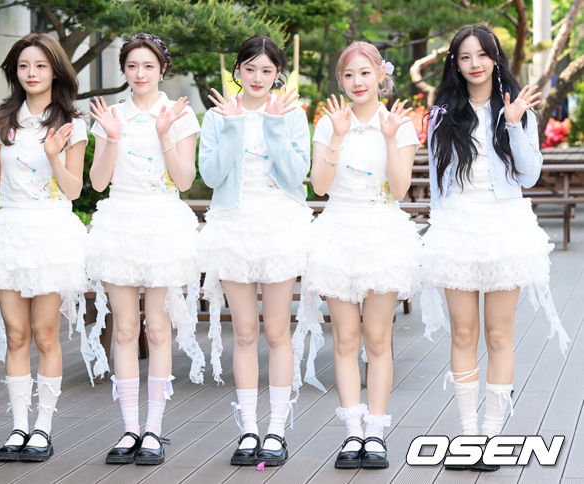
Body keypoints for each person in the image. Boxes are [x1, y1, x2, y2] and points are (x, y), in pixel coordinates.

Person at [422, 23, 570, 471]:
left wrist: (515, 123)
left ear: (495, 58)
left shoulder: (518, 108)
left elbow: (528, 175)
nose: (475, 64)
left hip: (505, 228)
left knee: (499, 334)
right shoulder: (442, 115)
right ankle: (468, 437)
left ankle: (492, 435)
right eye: (465, 57)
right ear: (455, 63)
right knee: (463, 333)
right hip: (457, 229)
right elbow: (437, 186)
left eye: (482, 55)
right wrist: (436, 234)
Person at [0, 33, 88, 462]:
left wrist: (54, 155)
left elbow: (73, 190)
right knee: (16, 334)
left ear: (55, 70)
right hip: (9, 232)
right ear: (14, 72)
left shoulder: (71, 123)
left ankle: (43, 429)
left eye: (39, 65)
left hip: (51, 234)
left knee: (45, 333)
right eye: (23, 66)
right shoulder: (3, 119)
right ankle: (18, 427)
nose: (31, 73)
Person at [86, 33, 205, 466]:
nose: (140, 74)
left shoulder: (179, 114)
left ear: (162, 69)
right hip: (119, 221)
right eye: (132, 66)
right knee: (123, 329)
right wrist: (112, 137)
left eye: (149, 66)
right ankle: (129, 428)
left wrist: (164, 132)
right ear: (124, 69)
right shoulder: (111, 115)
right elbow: (98, 182)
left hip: (162, 223)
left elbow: (185, 180)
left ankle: (153, 428)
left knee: (157, 327)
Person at [305, 41, 420, 469]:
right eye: (349, 74)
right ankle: (352, 432)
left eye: (365, 73)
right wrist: (337, 136)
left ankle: (376, 432)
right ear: (341, 79)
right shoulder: (328, 124)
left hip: (381, 232)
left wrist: (390, 138)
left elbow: (401, 189)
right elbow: (320, 186)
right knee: (345, 338)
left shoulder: (398, 124)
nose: (357, 82)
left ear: (380, 75)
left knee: (377, 338)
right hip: (337, 231)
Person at [198, 34, 311, 466]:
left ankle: (277, 430)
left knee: (278, 331)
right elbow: (211, 176)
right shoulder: (217, 115)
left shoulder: (292, 113)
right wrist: (230, 127)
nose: (258, 78)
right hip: (233, 225)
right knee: (244, 332)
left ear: (277, 73)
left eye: (267, 70)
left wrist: (276, 125)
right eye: (250, 69)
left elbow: (296, 173)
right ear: (238, 71)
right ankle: (248, 429)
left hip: (278, 223)